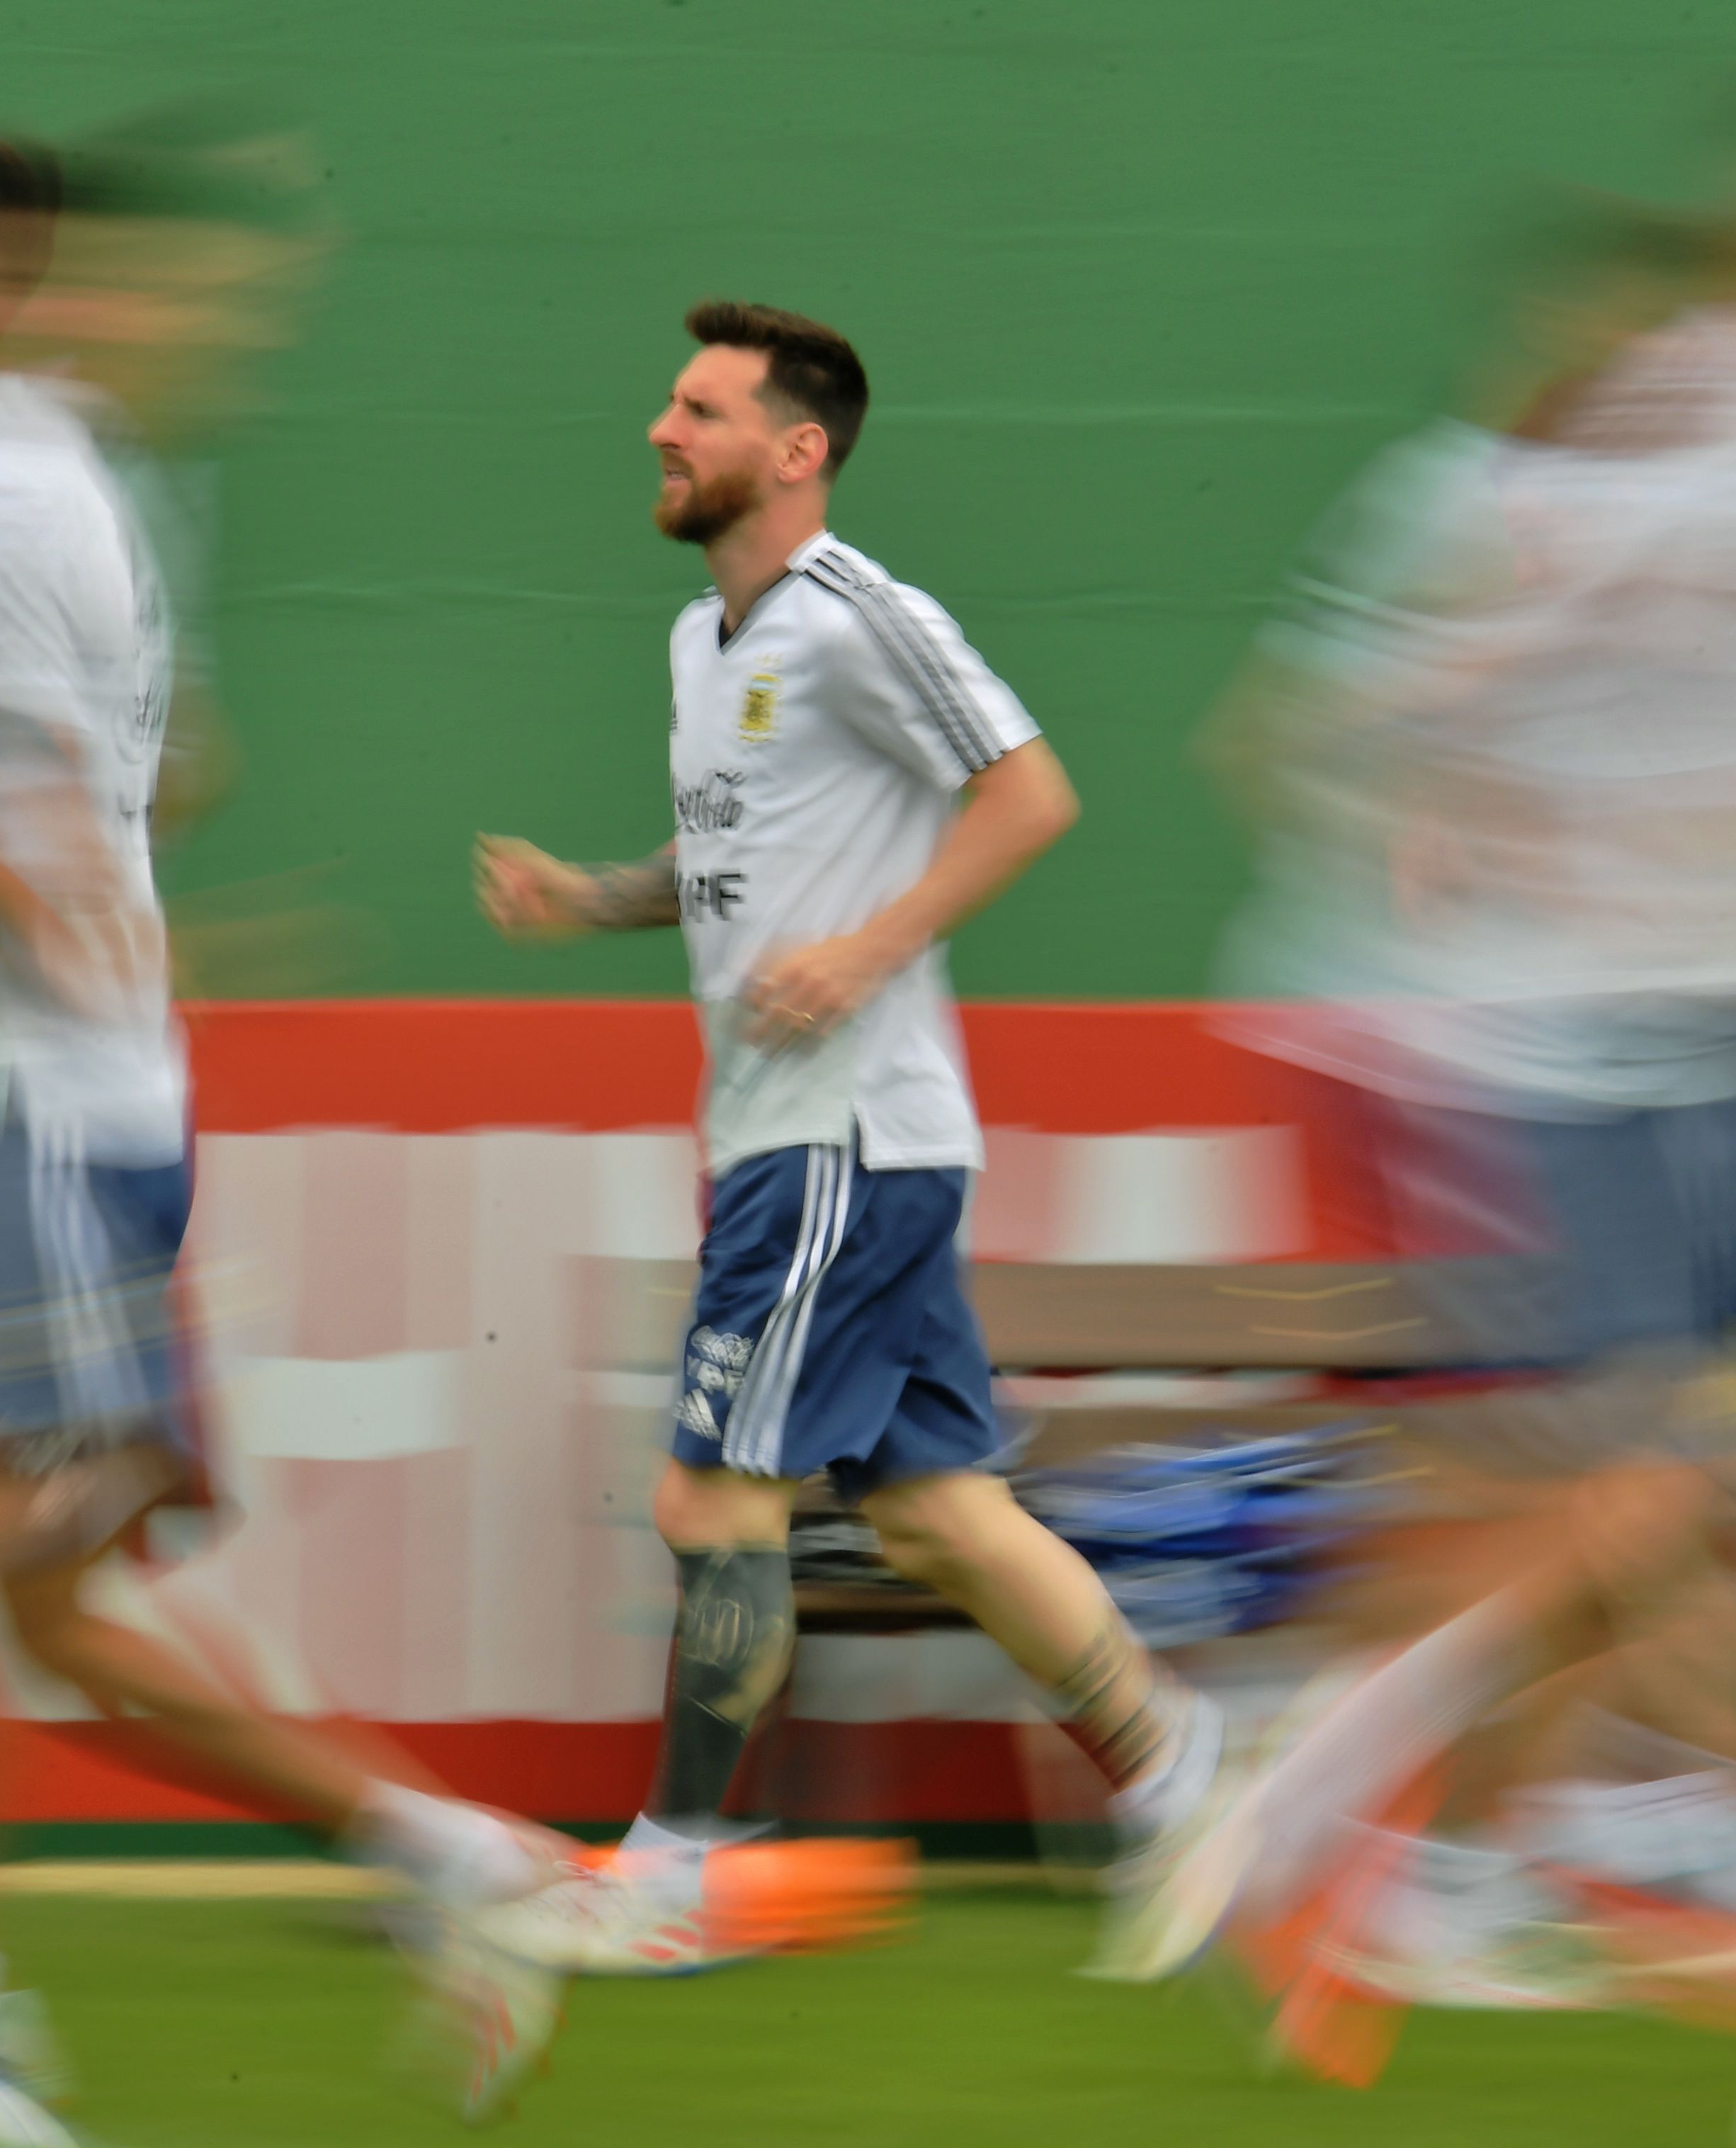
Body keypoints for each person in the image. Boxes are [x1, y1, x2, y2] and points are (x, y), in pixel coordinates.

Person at [0, 137, 565, 2147]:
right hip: (31, 1106)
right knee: (18, 1601)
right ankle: (444, 1865)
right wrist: (48, 856)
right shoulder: (27, 479)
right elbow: (173, 766)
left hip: (17, 1124)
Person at [472, 300, 1222, 1975]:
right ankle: (1182, 1765)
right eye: (666, 402)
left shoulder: (857, 613)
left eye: (700, 408)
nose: (661, 430)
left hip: (843, 1139)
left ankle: (676, 1865)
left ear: (797, 451)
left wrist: (871, 951)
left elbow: (1032, 791)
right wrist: (589, 895)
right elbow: (728, 855)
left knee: (710, 1494)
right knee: (940, 1509)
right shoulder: (702, 640)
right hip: (787, 1136)